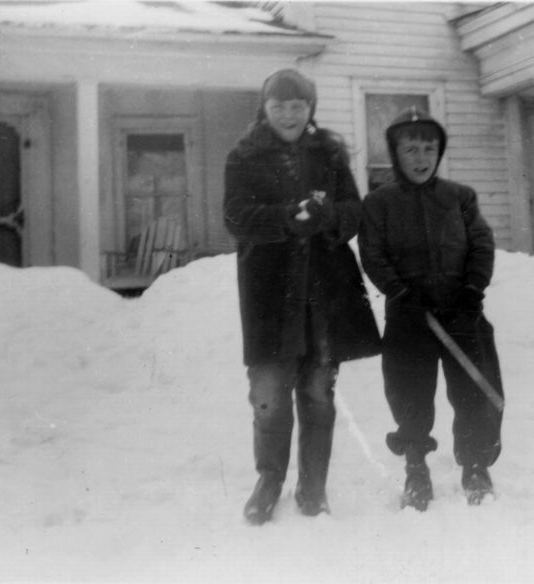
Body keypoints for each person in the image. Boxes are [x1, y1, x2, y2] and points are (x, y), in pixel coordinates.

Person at [224, 68, 381, 525]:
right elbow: (235, 216)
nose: (289, 115)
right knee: (269, 396)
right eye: (279, 106)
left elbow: (355, 212)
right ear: (264, 108)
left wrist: (328, 214)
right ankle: (269, 481)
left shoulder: (329, 153)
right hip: (269, 296)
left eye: (298, 106)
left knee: (318, 394)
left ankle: (313, 486)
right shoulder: (244, 155)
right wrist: (286, 218)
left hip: (322, 296)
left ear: (310, 108)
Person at [359, 107, 504, 511]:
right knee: (410, 394)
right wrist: (400, 293)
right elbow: (373, 254)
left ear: (439, 153)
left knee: (474, 391)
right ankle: (416, 465)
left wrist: (472, 290)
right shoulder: (379, 202)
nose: (421, 158)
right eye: (411, 149)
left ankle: (476, 465)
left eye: (429, 148)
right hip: (409, 316)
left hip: (461, 312)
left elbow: (481, 244)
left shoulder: (460, 197)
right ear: (395, 153)